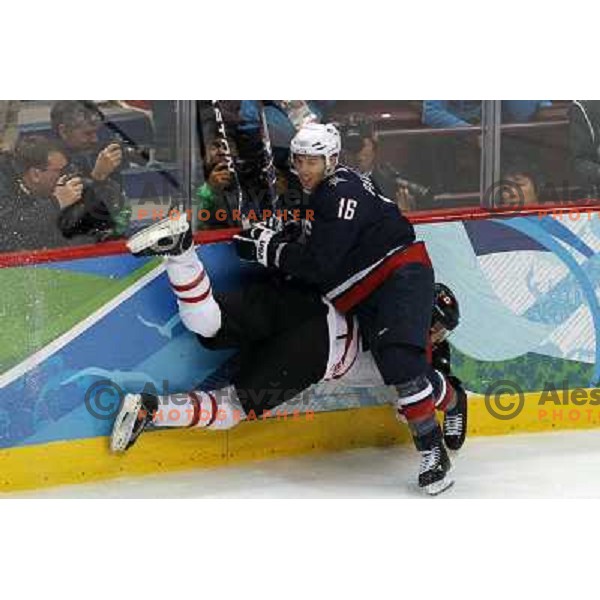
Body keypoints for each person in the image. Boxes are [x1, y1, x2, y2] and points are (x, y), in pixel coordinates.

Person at [111, 216, 467, 467]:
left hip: (300, 300)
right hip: (313, 352)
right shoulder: (410, 357)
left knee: (207, 322)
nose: (434, 336)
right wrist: (453, 401)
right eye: (436, 328)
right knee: (232, 408)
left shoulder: (387, 295)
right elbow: (416, 403)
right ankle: (151, 408)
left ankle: (181, 251)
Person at [232, 123, 458, 494]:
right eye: (299, 160)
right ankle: (453, 398)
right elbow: (316, 245)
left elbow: (320, 263)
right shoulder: (322, 191)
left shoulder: (341, 192)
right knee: (396, 367)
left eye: (312, 161)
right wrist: (275, 238)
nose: (303, 168)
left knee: (400, 362)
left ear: (331, 160)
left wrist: (268, 250)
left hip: (396, 275)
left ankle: (433, 454)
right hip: (361, 289)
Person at [0, 135, 84, 252]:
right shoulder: (4, 190)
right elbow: (12, 230)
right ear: (36, 174)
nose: (65, 176)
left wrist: (99, 179)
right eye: (59, 171)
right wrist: (56, 202)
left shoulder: (59, 189)